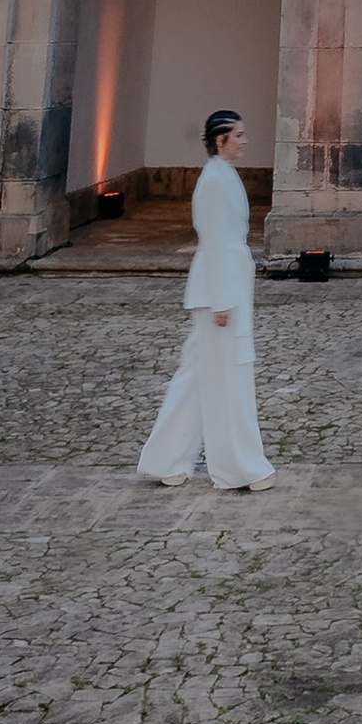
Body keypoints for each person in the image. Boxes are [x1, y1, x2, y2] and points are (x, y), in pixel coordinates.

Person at [136, 107, 275, 491]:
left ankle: (167, 460)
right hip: (221, 292)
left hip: (229, 284)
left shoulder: (224, 176)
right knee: (226, 379)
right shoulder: (213, 181)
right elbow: (214, 243)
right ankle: (238, 468)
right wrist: (221, 301)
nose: (245, 142)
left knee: (197, 378)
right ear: (221, 141)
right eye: (239, 136)